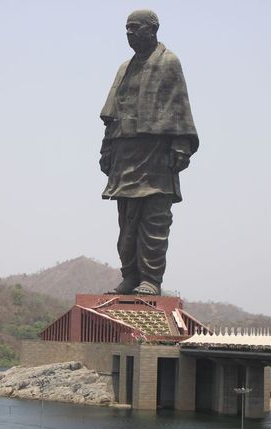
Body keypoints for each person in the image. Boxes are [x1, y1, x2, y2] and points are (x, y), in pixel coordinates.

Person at [99, 9, 199, 296]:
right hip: (124, 152)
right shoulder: (124, 67)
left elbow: (179, 106)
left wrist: (180, 144)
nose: (129, 33)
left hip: (156, 152)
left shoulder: (169, 62)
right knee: (126, 221)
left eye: (135, 28)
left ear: (152, 30)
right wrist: (106, 149)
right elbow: (112, 114)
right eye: (127, 29)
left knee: (155, 219)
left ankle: (151, 280)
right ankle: (130, 275)